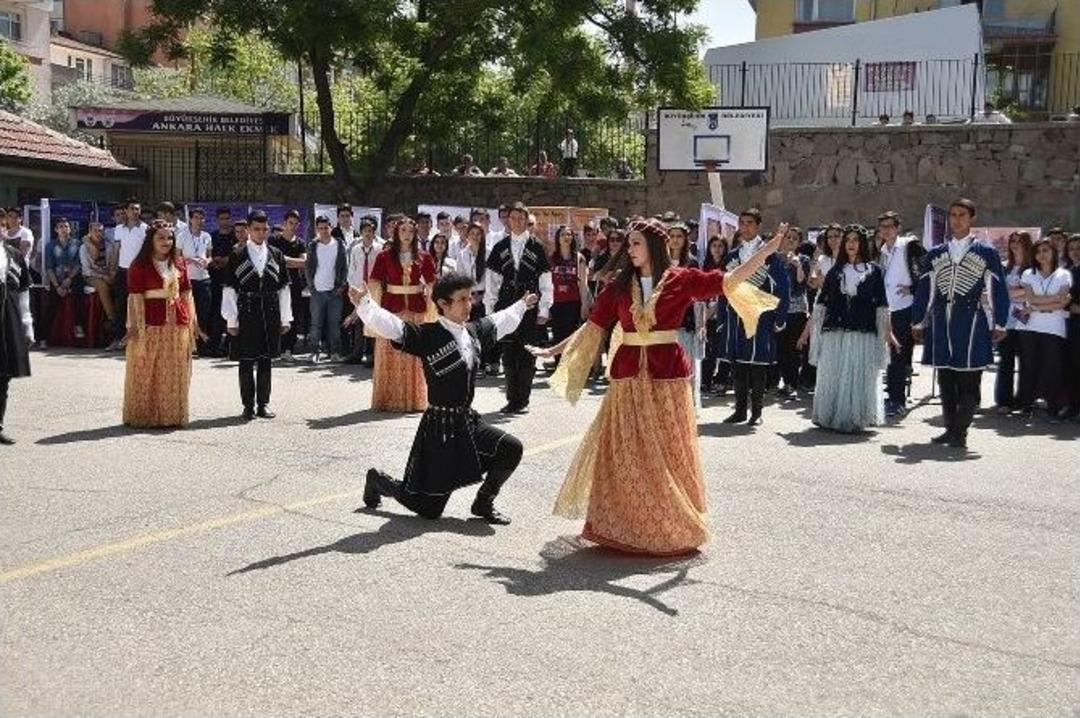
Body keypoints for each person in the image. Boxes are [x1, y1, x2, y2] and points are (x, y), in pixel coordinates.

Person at [529, 218, 783, 555]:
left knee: (665, 450)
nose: (630, 249)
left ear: (653, 246)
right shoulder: (619, 285)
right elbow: (593, 327)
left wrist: (766, 251)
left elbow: (729, 281)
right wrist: (553, 350)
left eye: (636, 243)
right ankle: (624, 523)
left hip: (667, 376)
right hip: (629, 377)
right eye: (628, 243)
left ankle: (667, 522)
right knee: (626, 452)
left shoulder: (682, 278)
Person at [354, 275, 538, 524]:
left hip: (467, 422)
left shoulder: (474, 332)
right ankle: (379, 480)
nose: (469, 304)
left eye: (470, 297)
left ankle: (483, 502)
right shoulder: (428, 335)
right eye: (462, 299)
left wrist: (522, 305)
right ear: (443, 303)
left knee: (510, 448)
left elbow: (500, 320)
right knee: (429, 509)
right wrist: (365, 304)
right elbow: (393, 327)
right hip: (439, 430)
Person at [912, 199, 1009, 448]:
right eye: (953, 215)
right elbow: (926, 290)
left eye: (962, 214)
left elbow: (997, 289)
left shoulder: (986, 253)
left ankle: (960, 430)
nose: (956, 219)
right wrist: (918, 321)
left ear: (971, 218)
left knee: (969, 379)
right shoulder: (936, 253)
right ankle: (950, 429)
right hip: (941, 320)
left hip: (971, 320)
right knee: (945, 378)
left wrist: (1000, 322)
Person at [799, 225, 895, 432]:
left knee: (857, 376)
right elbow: (821, 304)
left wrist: (887, 332)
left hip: (863, 331)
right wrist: (808, 332)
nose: (851, 244)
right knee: (834, 375)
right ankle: (829, 416)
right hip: (835, 332)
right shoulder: (835, 271)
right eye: (848, 240)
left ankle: (855, 418)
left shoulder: (874, 271)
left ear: (863, 244)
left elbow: (882, 305)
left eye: (856, 240)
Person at [122, 222, 198, 427]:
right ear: (151, 241)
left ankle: (170, 415)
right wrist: (136, 326)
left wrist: (192, 322)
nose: (166, 242)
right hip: (150, 322)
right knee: (147, 367)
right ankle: (144, 415)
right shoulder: (139, 266)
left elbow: (186, 293)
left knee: (173, 369)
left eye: (170, 238)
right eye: (161, 238)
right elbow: (135, 297)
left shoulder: (179, 263)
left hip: (177, 323)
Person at [719, 209, 790, 426]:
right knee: (738, 365)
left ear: (758, 226)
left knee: (757, 364)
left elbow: (783, 288)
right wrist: (722, 318)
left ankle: (757, 412)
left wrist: (780, 318)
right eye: (742, 223)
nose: (745, 227)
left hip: (761, 316)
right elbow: (723, 287)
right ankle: (740, 410)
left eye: (750, 223)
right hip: (735, 317)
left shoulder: (770, 255)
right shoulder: (732, 256)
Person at [221, 210, 293, 421]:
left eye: (264, 229)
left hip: (270, 310)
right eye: (256, 229)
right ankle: (247, 406)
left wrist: (285, 318)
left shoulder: (276, 254)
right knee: (246, 360)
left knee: (265, 360)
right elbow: (229, 289)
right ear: (248, 230)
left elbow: (284, 289)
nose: (261, 233)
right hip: (246, 310)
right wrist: (231, 320)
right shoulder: (237, 254)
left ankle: (263, 404)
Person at [484, 201, 554, 414]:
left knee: (527, 352)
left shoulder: (536, 246)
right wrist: (490, 310)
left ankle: (522, 400)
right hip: (506, 304)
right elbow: (492, 281)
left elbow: (545, 280)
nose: (516, 221)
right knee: (508, 351)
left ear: (526, 220)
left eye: (521, 218)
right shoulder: (500, 247)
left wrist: (544, 308)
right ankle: (511, 399)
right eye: (513, 218)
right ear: (508, 220)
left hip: (530, 303)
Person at [367, 216, 437, 412]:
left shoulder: (424, 256)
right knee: (391, 352)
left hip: (416, 310)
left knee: (414, 354)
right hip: (392, 308)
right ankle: (388, 399)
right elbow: (374, 282)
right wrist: (374, 310)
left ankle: (414, 400)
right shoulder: (384, 256)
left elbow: (433, 282)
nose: (407, 234)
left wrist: (432, 305)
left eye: (411, 231)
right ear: (396, 233)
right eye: (403, 230)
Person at [1015, 238, 1072, 420]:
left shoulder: (1064, 274)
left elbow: (1062, 302)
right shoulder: (1028, 274)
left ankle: (1053, 408)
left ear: (1054, 252)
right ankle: (1026, 405)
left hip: (1054, 328)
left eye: (1046, 250)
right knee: (1028, 366)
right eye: (1038, 252)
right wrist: (1052, 301)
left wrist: (1035, 307)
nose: (1042, 255)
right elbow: (1031, 298)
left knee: (1051, 367)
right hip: (1029, 327)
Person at [876, 211, 924, 418]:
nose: (886, 230)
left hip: (905, 308)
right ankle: (892, 395)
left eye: (890, 226)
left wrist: (913, 288)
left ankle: (897, 400)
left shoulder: (909, 246)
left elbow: (927, 271)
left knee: (898, 354)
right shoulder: (882, 250)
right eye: (883, 227)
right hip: (886, 308)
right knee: (889, 355)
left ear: (898, 228)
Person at [994, 232, 1034, 413]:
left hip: (1029, 322)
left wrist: (1010, 293)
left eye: (1019, 241)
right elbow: (997, 292)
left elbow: (1034, 293)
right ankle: (1004, 401)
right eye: (1013, 241)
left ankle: (1025, 401)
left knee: (1027, 363)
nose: (1015, 244)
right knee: (1006, 362)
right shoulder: (1003, 267)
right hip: (1007, 322)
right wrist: (1019, 292)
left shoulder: (1033, 268)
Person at [0, 238, 34, 444]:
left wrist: (27, 325)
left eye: (2, 225)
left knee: (3, 375)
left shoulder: (14, 255)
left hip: (8, 321)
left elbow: (23, 294)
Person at [304, 215, 347, 364]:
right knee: (316, 324)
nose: (323, 231)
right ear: (317, 229)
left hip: (335, 291)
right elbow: (308, 267)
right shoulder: (313, 245)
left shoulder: (339, 245)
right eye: (320, 228)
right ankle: (314, 352)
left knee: (334, 324)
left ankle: (334, 352)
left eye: (326, 228)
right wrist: (311, 287)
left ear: (331, 227)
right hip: (317, 291)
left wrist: (342, 286)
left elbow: (344, 268)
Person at [342, 215, 383, 367]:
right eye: (365, 231)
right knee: (358, 323)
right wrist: (353, 288)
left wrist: (376, 288)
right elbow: (352, 269)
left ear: (374, 232)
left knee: (372, 322)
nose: (368, 233)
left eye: (370, 231)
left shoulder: (379, 249)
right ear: (361, 232)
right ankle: (357, 353)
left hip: (373, 290)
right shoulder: (355, 249)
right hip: (358, 289)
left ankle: (371, 355)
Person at [776, 225, 810, 400]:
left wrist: (797, 266)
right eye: (788, 237)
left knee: (794, 348)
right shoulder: (776, 258)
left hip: (797, 310)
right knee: (780, 348)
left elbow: (802, 283)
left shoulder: (803, 259)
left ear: (799, 242)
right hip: (779, 308)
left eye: (794, 238)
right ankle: (784, 381)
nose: (790, 241)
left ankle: (792, 384)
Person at [269, 209, 308, 361]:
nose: (293, 226)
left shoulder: (300, 243)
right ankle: (274, 349)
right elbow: (272, 260)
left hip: (294, 284)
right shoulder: (273, 240)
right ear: (284, 223)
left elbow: (303, 262)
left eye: (296, 224)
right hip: (275, 284)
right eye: (290, 223)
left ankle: (288, 349)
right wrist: (290, 261)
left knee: (291, 316)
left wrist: (284, 259)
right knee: (274, 315)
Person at [549, 226, 590, 366]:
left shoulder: (579, 258)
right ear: (558, 238)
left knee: (571, 335)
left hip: (573, 302)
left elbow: (583, 283)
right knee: (557, 334)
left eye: (569, 234)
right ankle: (558, 365)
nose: (566, 237)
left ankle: (569, 365)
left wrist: (584, 304)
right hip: (556, 302)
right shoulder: (552, 258)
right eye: (563, 234)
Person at [176, 208, 214, 358]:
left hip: (203, 278)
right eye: (196, 218)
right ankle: (187, 346)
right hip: (188, 279)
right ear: (190, 219)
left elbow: (210, 255)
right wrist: (190, 260)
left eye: (202, 218)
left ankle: (200, 346)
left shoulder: (206, 236)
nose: (199, 221)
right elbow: (176, 258)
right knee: (188, 313)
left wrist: (207, 261)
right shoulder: (182, 236)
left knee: (203, 313)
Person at [113, 199, 149, 348]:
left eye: (137, 209)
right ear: (126, 211)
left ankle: (140, 339)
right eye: (132, 209)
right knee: (121, 305)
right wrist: (112, 268)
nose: (135, 212)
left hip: (140, 272)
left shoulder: (145, 228)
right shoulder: (119, 229)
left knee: (139, 306)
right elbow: (116, 249)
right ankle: (119, 339)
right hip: (123, 271)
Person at [45, 217, 85, 344]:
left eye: (66, 227)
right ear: (56, 229)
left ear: (70, 229)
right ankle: (42, 337)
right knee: (50, 304)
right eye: (61, 227)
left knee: (78, 295)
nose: (64, 229)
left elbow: (78, 264)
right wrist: (57, 286)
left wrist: (69, 279)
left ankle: (78, 325)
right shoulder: (50, 245)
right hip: (57, 279)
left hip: (73, 277)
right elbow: (49, 267)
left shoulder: (77, 244)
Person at [207, 208, 237, 357]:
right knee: (215, 313)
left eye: (227, 218)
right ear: (217, 220)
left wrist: (225, 260)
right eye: (222, 218)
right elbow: (207, 254)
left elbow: (237, 254)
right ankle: (214, 346)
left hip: (230, 279)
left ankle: (229, 346)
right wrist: (214, 261)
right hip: (214, 278)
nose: (225, 221)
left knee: (231, 313)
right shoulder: (212, 236)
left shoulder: (234, 236)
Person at [79, 222, 117, 328]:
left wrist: (111, 275)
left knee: (119, 284)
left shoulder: (108, 246)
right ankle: (112, 318)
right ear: (90, 232)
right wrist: (103, 276)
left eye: (100, 231)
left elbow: (113, 264)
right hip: (91, 275)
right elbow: (86, 269)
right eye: (95, 231)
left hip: (107, 273)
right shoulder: (84, 248)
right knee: (102, 286)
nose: (98, 233)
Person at [1062, 234, 1080, 420]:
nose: (1075, 252)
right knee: (1070, 367)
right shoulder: (1066, 271)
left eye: (1078, 248)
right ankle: (1071, 407)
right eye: (1071, 249)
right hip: (1068, 325)